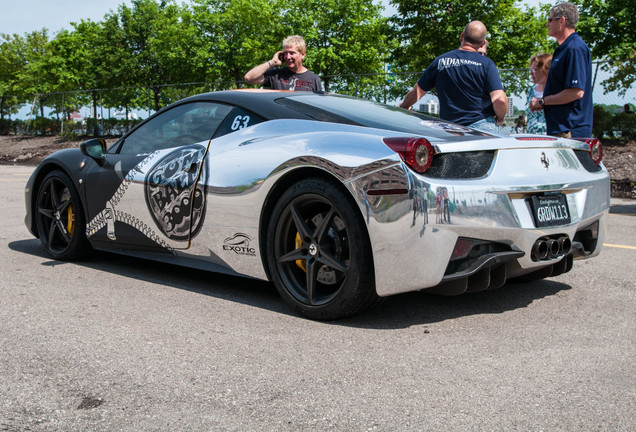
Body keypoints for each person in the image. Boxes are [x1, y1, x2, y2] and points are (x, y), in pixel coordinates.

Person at [398, 21, 508, 133]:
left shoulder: (440, 61)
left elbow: (417, 91)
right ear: (483, 43)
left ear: (461, 36)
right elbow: (500, 100)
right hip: (482, 127)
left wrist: (404, 106)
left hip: (451, 129)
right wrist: (500, 117)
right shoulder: (487, 64)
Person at [529, 2, 592, 138]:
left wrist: (543, 101)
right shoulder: (564, 49)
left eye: (550, 19)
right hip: (561, 128)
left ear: (562, 21)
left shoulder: (574, 48)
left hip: (570, 130)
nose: (547, 24)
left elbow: (576, 92)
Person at [244, 35, 322, 92]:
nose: (287, 57)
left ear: (303, 54)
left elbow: (318, 105)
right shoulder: (276, 75)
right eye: (285, 53)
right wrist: (272, 62)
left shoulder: (314, 79)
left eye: (292, 53)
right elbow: (249, 78)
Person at [525, 53, 552, 134]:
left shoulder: (556, 92)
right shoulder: (531, 90)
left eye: (535, 69)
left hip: (550, 139)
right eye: (531, 70)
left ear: (546, 70)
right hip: (531, 140)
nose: (531, 73)